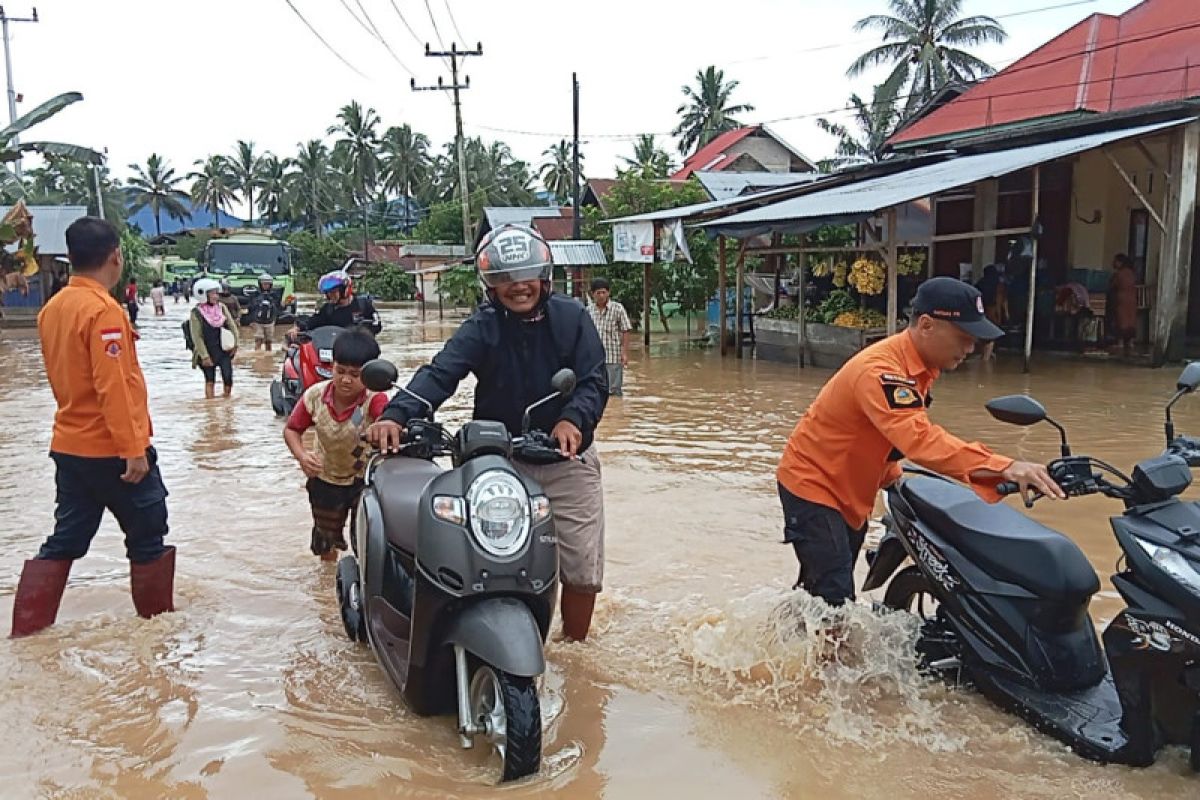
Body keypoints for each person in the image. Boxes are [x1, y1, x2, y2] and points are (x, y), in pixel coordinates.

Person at [366, 224, 609, 641]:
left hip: (565, 457)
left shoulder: (573, 318)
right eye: (505, 279)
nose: (518, 287)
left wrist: (573, 420)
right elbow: (442, 373)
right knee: (478, 556)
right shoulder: (483, 326)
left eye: (526, 276)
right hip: (501, 458)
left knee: (582, 569)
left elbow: (593, 381)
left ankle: (575, 650)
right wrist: (397, 414)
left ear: (544, 278)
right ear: (491, 286)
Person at [775, 276, 1064, 607]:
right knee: (834, 601)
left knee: (819, 594)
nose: (970, 349)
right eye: (964, 338)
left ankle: (781, 640)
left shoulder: (918, 367)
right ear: (926, 325)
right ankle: (823, 657)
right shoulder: (882, 371)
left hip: (852, 488)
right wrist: (1006, 466)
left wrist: (898, 484)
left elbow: (885, 439)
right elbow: (919, 439)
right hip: (814, 485)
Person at [11, 217, 174, 637]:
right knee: (148, 535)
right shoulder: (103, 310)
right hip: (112, 451)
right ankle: (157, 636)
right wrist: (133, 448)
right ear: (116, 256)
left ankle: (27, 634)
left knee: (66, 538)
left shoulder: (53, 309)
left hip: (70, 445)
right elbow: (113, 386)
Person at [284, 328, 386, 561]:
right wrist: (302, 456)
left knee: (369, 540)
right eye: (340, 371)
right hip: (325, 477)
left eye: (355, 374)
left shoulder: (375, 399)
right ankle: (325, 586)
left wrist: (381, 429)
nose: (346, 380)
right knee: (325, 539)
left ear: (369, 375)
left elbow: (389, 426)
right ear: (332, 366)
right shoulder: (314, 396)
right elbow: (292, 429)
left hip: (365, 480)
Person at [189, 278, 239, 399]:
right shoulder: (196, 313)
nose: (216, 296)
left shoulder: (221, 308)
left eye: (217, 293)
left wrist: (235, 344)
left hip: (223, 349)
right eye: (213, 293)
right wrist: (204, 356)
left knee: (228, 378)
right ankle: (210, 408)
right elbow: (197, 336)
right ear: (203, 295)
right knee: (210, 380)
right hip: (206, 350)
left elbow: (232, 327)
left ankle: (227, 405)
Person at [290, 270, 380, 335]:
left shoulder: (364, 305)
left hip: (360, 350)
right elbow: (312, 322)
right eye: (328, 293)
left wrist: (365, 330)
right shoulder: (328, 310)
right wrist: (298, 328)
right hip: (337, 352)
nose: (330, 295)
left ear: (345, 290)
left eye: (333, 292)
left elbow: (377, 325)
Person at [587, 277, 632, 397]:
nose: (601, 296)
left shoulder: (618, 309)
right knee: (597, 391)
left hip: (613, 357)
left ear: (608, 293)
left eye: (603, 292)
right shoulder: (588, 311)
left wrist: (624, 353)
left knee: (614, 392)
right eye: (598, 293)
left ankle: (616, 414)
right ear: (592, 294)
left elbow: (626, 330)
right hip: (595, 360)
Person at [975, 264, 1007, 361]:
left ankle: (985, 355)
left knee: (982, 334)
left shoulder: (980, 283)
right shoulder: (998, 285)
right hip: (992, 311)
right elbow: (1001, 300)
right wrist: (1004, 314)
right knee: (991, 335)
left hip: (980, 311)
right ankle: (986, 358)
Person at [1110, 253, 1138, 357]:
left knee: (1122, 319)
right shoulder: (1131, 273)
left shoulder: (1120, 274)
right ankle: (1130, 342)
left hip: (1122, 298)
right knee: (1131, 320)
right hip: (1132, 299)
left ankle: (1120, 342)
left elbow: (1113, 285)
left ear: (1120, 262)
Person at [249, 273, 281, 352]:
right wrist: (251, 321)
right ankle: (258, 356)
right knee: (258, 339)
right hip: (258, 322)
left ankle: (268, 356)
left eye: (268, 284)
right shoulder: (255, 294)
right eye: (264, 284)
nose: (266, 286)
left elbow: (278, 308)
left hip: (270, 322)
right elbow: (250, 308)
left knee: (269, 341)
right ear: (260, 284)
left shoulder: (274, 295)